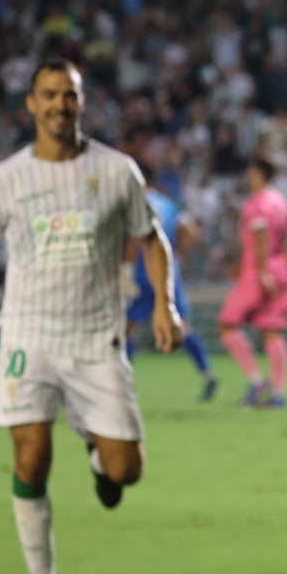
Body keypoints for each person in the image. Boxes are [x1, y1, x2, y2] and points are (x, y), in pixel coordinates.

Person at [0, 58, 184, 574]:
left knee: (125, 471)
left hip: (96, 335)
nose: (59, 104)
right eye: (49, 94)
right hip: (29, 333)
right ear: (31, 104)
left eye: (68, 94)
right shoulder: (7, 178)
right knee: (30, 454)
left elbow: (151, 240)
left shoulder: (118, 170)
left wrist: (166, 303)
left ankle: (95, 449)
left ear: (82, 102)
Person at [123, 164, 219, 401]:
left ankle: (120, 383)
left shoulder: (137, 204)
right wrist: (178, 254)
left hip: (144, 272)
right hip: (168, 271)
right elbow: (191, 230)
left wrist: (125, 268)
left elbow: (137, 238)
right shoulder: (168, 203)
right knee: (181, 326)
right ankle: (207, 373)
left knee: (129, 328)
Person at [217, 153, 287, 408]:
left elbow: (260, 234)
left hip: (259, 270)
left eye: (251, 173)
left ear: (260, 174)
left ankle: (257, 381)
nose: (249, 177)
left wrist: (260, 269)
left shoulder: (256, 202)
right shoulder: (282, 201)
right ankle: (279, 392)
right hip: (281, 267)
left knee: (227, 325)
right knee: (272, 331)